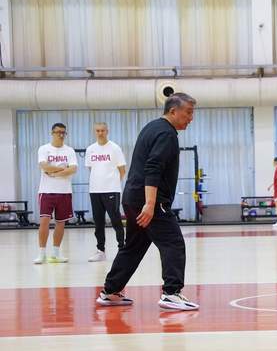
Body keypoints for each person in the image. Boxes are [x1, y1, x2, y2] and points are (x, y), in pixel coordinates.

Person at [96, 93, 199, 311]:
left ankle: (110, 291)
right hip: (148, 201)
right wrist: (150, 204)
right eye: (188, 113)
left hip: (132, 198)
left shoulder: (152, 127)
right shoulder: (166, 134)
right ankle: (171, 293)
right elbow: (153, 167)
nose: (191, 118)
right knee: (173, 242)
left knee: (134, 246)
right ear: (173, 111)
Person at [34, 123, 78, 264]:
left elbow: (73, 169)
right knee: (44, 222)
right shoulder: (44, 149)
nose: (61, 134)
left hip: (64, 192)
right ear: (52, 133)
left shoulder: (69, 150)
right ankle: (41, 254)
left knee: (60, 223)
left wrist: (54, 173)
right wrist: (62, 169)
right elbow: (44, 166)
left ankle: (56, 253)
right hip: (46, 191)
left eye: (63, 132)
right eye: (58, 132)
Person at [85, 122, 127, 262]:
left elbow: (122, 170)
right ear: (94, 132)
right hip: (95, 190)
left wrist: (112, 183)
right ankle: (100, 251)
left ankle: (122, 249)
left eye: (102, 130)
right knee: (98, 222)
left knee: (115, 220)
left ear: (107, 131)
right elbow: (91, 168)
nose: (100, 133)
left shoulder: (115, 148)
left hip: (111, 190)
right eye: (97, 130)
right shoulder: (90, 149)